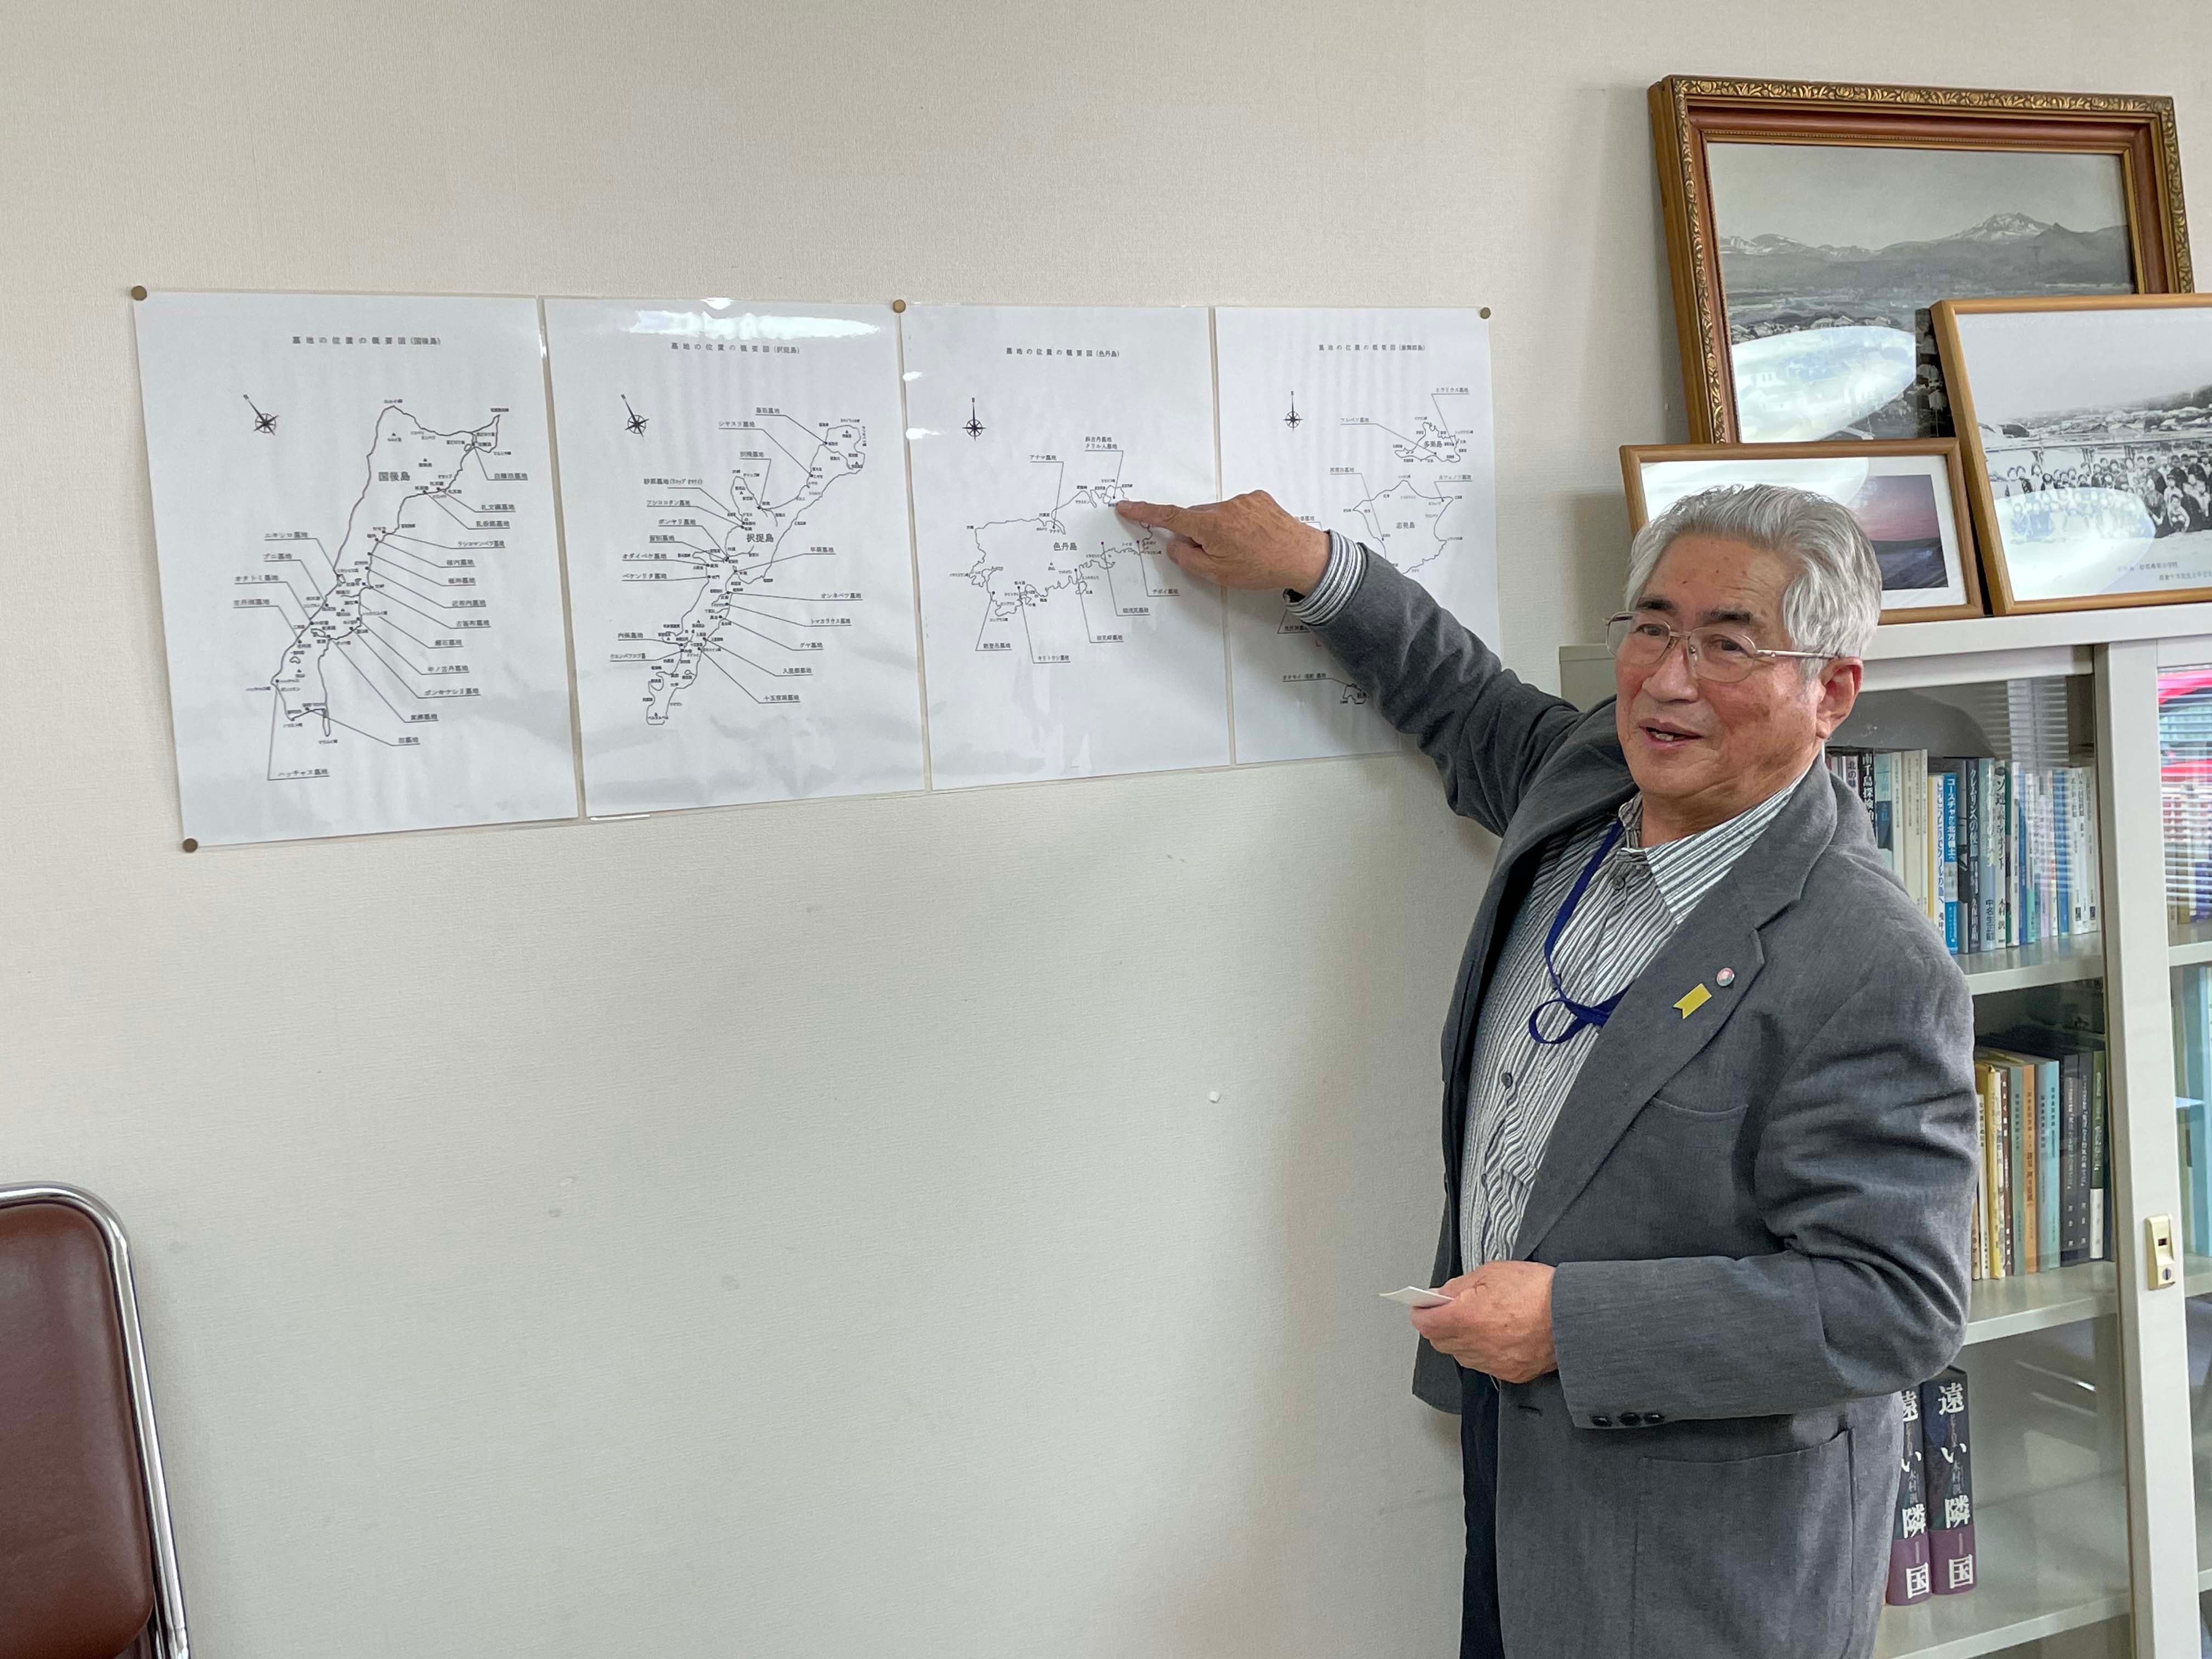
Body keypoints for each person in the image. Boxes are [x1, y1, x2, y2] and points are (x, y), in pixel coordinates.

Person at [1114, 484, 1976, 1659]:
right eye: (1653, 626)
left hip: (1702, 1545)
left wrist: (1574, 1320)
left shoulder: (1866, 961)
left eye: (1728, 644)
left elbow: (1897, 1306)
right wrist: (1314, 565)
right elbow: (1465, 704)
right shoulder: (1590, 783)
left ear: (1828, 691)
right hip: (1520, 1461)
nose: (1668, 678)